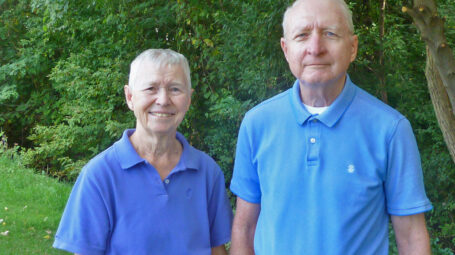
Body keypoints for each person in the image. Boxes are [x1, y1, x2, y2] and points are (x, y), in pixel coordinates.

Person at [229, 0, 433, 254]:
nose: (315, 48)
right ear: (285, 49)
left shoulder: (390, 130)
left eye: (330, 33)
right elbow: (245, 228)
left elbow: (412, 236)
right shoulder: (256, 124)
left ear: (352, 47)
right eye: (302, 35)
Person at [53, 49, 233, 255]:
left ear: (189, 99)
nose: (163, 100)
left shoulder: (207, 172)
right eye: (151, 88)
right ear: (130, 97)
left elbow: (216, 250)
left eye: (175, 89)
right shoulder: (99, 175)